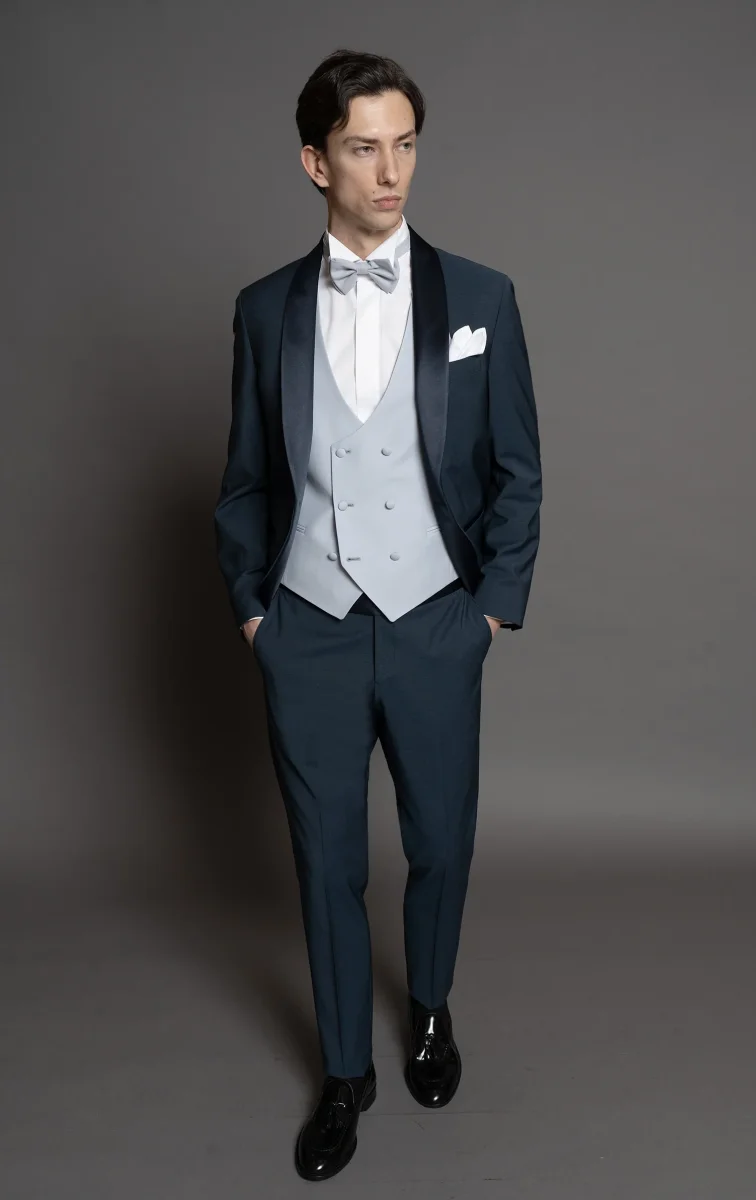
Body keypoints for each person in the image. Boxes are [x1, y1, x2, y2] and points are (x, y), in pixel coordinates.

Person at [213, 48, 542, 1182]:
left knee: (440, 841)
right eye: (364, 148)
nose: (391, 171)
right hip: (304, 622)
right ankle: (344, 1071)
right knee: (325, 861)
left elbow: (518, 473)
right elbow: (245, 481)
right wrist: (255, 612)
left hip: (433, 621)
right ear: (317, 162)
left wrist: (488, 614)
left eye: (405, 145)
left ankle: (432, 1007)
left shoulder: (482, 299)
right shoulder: (264, 309)